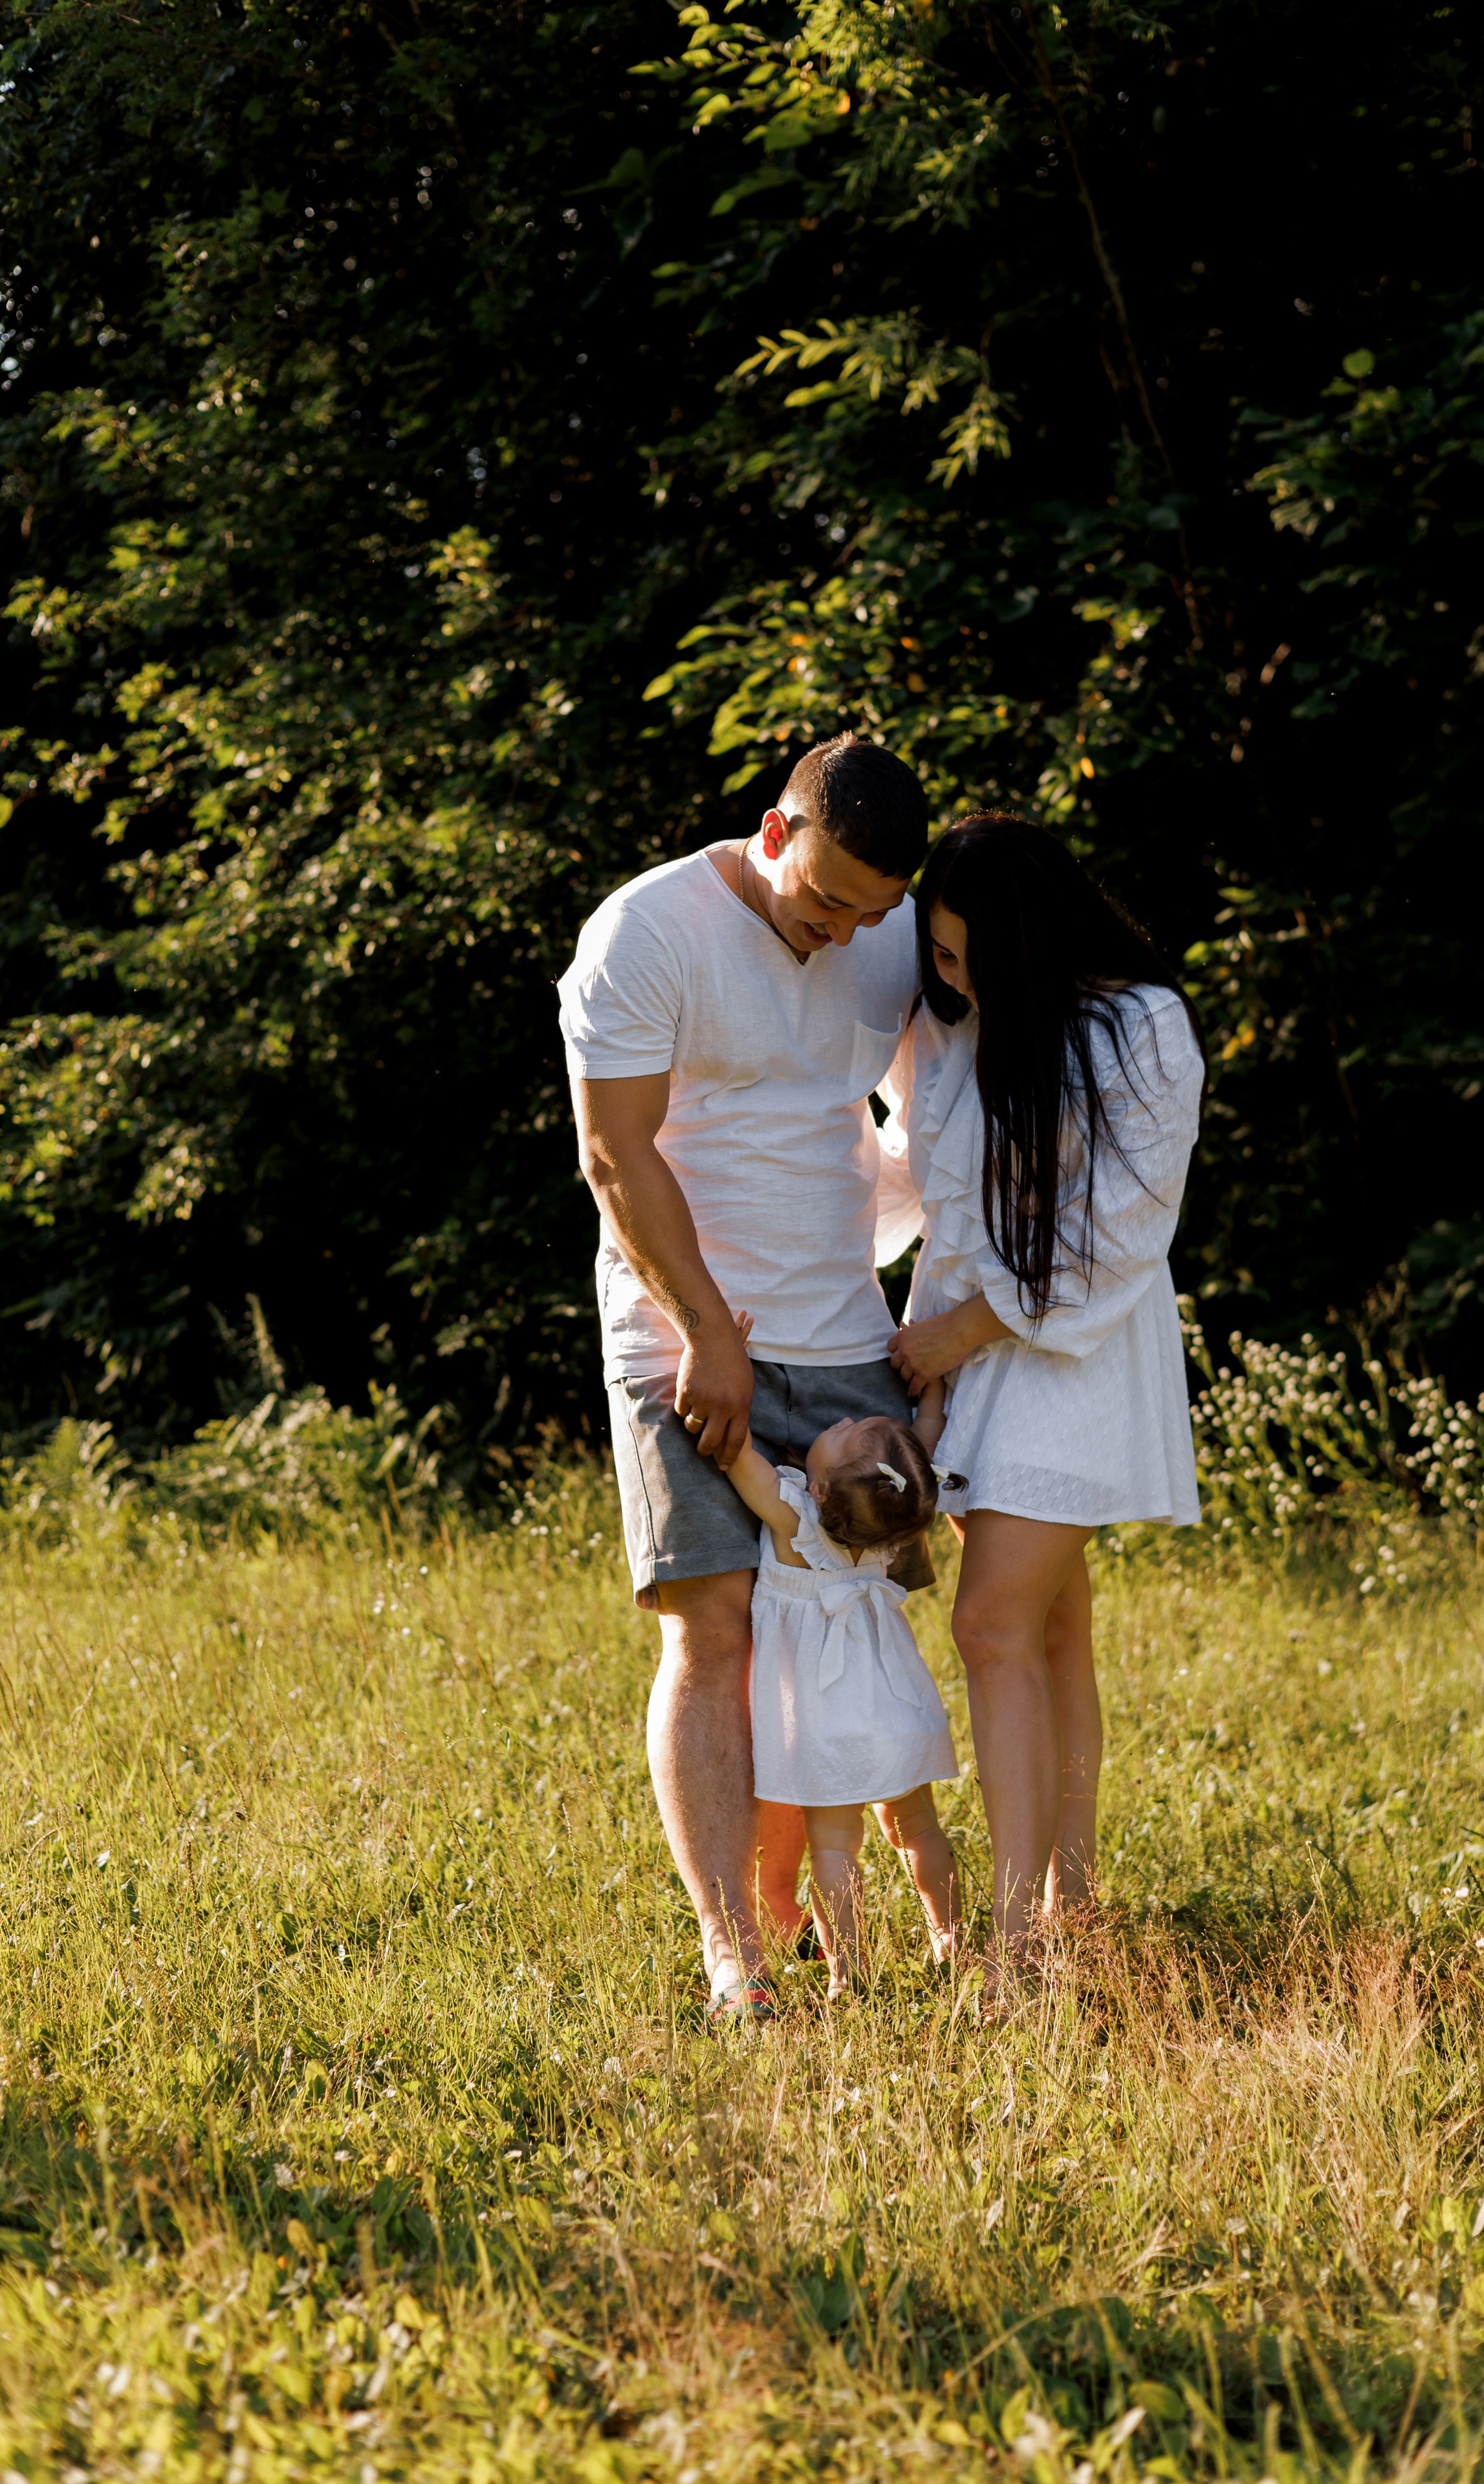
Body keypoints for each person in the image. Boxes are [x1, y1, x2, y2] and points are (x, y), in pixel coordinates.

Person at [558, 731, 932, 2024]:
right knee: (710, 1629)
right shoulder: (645, 934)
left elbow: (938, 1113)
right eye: (825, 899)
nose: (843, 936)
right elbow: (615, 1157)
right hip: (677, 1343)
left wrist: (934, 1309)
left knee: (850, 1633)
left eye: (868, 912)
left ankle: (879, 1920)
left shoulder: (890, 934)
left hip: (841, 1338)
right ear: (773, 831)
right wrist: (708, 1332)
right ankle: (736, 1963)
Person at [880, 814, 1205, 1989]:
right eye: (941, 957)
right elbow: (947, 1209)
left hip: (1078, 1356)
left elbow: (1119, 1239)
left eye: (971, 959)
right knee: (1052, 1628)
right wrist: (932, 1371)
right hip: (975, 1360)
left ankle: (1016, 1947)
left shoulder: (1140, 1028)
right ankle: (1077, 1903)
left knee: (991, 1626)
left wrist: (959, 1336)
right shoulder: (955, 1025)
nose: (951, 980)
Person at [721, 1344, 963, 2003]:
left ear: (822, 1488)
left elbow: (732, 1449)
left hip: (825, 1721)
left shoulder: (792, 1517)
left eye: (846, 1435)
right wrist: (934, 1392)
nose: (840, 1423)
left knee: (834, 1849)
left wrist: (727, 1359)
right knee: (917, 1828)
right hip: (893, 1707)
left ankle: (845, 1971)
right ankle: (951, 1938)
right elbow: (927, 1447)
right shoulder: (893, 1526)